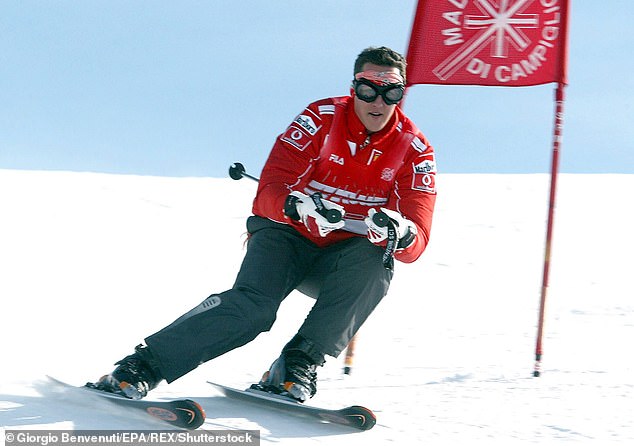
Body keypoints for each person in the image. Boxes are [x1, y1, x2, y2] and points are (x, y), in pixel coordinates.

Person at [91, 46, 437, 403]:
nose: (378, 101)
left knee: (378, 263)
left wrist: (402, 231)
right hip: (287, 237)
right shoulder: (320, 118)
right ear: (354, 88)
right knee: (253, 310)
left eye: (390, 91)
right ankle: (143, 366)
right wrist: (296, 206)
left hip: (339, 261)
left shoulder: (414, 148)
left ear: (402, 92)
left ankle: (297, 365)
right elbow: (269, 190)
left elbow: (417, 237)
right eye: (368, 89)